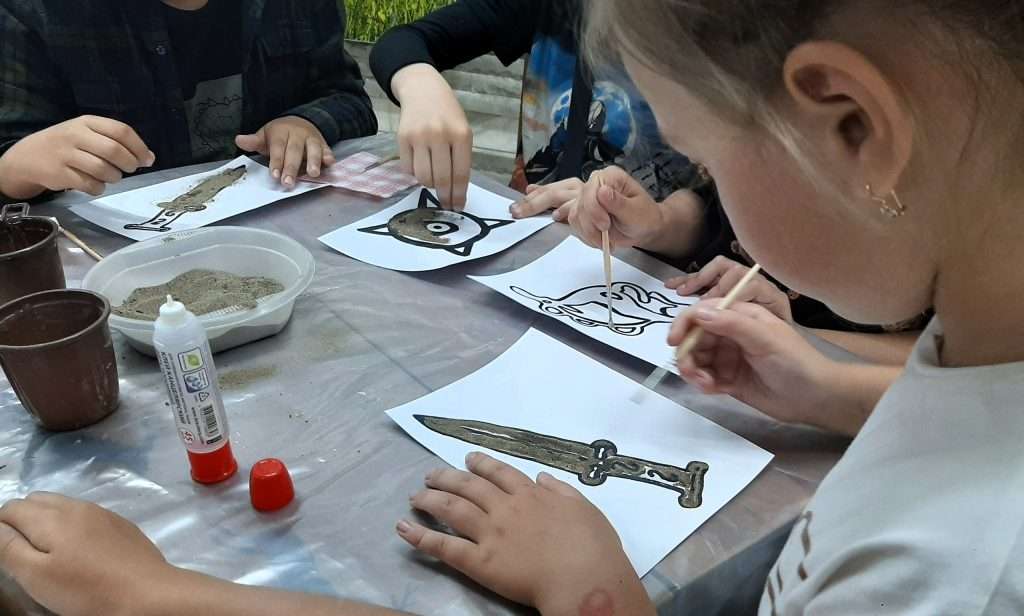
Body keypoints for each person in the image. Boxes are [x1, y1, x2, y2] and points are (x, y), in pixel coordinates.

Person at [368, 0, 714, 264]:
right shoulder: (551, 8)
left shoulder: (715, 29)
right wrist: (420, 84)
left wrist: (658, 222)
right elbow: (403, 42)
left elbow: (716, 215)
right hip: (527, 242)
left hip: (642, 273)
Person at [0, 0, 377, 201]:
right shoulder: (36, 11)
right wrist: (19, 167)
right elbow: (10, 161)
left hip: (280, 224)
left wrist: (305, 123)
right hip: (117, 257)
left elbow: (348, 99)